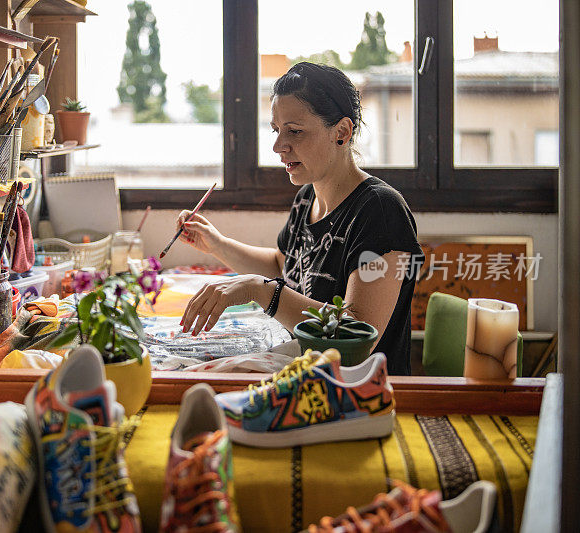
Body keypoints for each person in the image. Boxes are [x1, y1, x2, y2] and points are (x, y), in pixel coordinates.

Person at [176, 62, 422, 375]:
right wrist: (216, 244)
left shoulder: (380, 211)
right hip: (305, 372)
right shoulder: (308, 197)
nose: (278, 146)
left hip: (355, 392)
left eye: (295, 131)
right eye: (277, 130)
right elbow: (283, 266)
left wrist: (262, 291)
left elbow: (355, 335)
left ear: (342, 132)